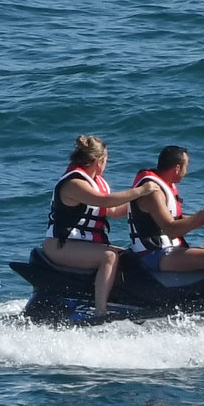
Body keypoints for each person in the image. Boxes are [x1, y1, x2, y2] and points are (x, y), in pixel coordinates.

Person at [43, 135, 157, 319]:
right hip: (60, 244)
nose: (106, 166)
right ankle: (100, 313)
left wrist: (144, 205)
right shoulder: (74, 183)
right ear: (98, 161)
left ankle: (129, 304)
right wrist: (140, 191)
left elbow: (112, 210)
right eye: (106, 161)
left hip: (84, 245)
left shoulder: (98, 183)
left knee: (130, 257)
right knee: (109, 257)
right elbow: (102, 201)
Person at [127, 145, 204, 287]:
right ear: (177, 168)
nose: (186, 171)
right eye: (186, 166)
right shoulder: (153, 192)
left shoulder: (164, 185)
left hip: (166, 250)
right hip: (151, 255)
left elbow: (176, 221)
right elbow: (172, 230)